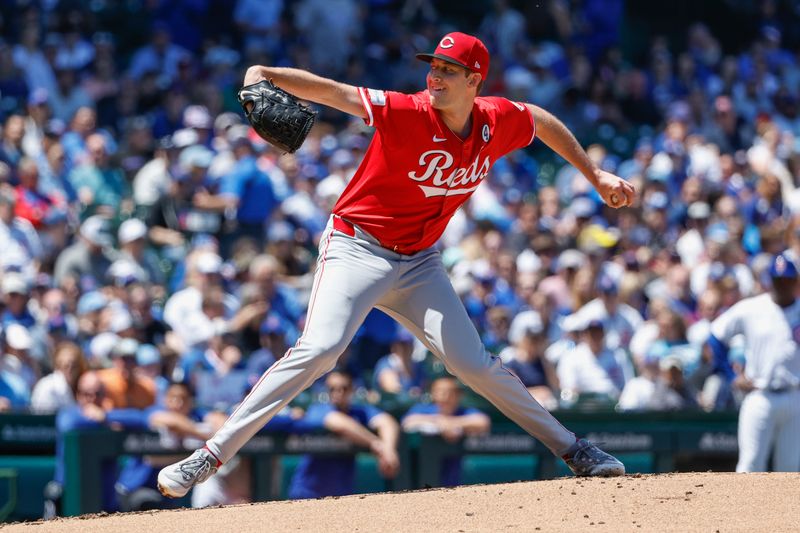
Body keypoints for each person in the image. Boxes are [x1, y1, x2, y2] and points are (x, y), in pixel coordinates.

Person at [158, 31, 634, 497]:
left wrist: (594, 175)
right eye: (433, 66)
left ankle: (574, 451)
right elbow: (335, 92)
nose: (435, 76)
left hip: (419, 263)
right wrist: (264, 74)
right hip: (356, 248)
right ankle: (210, 455)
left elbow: (541, 120)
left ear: (475, 80)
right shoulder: (407, 110)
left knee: (475, 364)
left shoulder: (495, 119)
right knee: (320, 350)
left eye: (449, 70)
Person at [708, 252, 800, 472]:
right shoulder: (752, 308)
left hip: (795, 394)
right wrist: (731, 376)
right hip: (760, 394)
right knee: (750, 464)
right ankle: (743, 508)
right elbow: (716, 335)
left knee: (790, 468)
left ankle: (786, 509)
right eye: (778, 280)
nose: (782, 285)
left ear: (795, 281)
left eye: (786, 280)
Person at [288, 369, 400, 499]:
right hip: (308, 493)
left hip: (341, 494)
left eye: (344, 388)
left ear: (352, 390)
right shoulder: (318, 409)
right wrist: (376, 444)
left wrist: (388, 450)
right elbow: (336, 422)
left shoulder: (359, 412)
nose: (338, 393)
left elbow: (387, 422)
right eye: (332, 389)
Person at [401, 376, 490, 486]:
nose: (444, 396)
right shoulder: (424, 409)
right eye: (439, 391)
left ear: (458, 395)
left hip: (458, 471)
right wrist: (439, 422)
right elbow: (407, 422)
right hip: (425, 470)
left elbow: (483, 422)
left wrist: (451, 423)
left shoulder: (464, 411)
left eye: (449, 392)